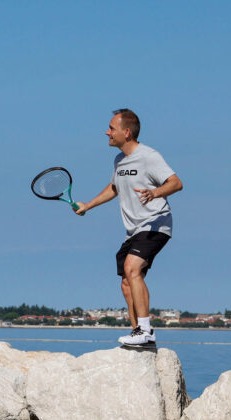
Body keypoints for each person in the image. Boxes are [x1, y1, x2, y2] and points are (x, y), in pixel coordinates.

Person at [73, 109, 183, 346]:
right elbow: (114, 188)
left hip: (155, 223)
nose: (107, 132)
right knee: (126, 281)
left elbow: (176, 183)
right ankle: (138, 335)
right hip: (133, 230)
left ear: (127, 132)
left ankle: (145, 330)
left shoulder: (149, 156)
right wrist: (88, 205)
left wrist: (155, 192)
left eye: (111, 128)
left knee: (132, 267)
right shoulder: (119, 160)